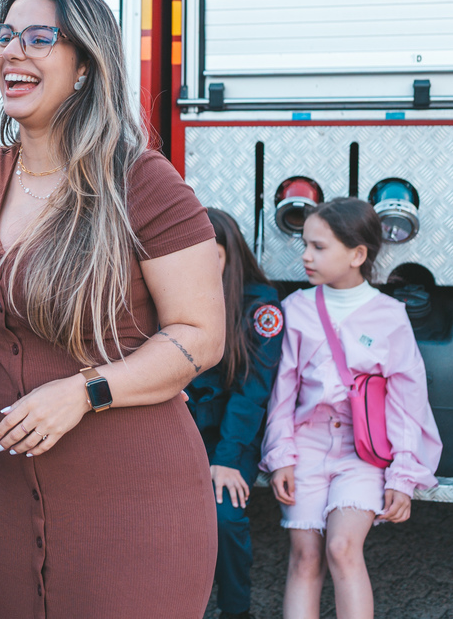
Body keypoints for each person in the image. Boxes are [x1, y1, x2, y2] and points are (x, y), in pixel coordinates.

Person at [0, 0, 225, 619]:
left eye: (39, 37)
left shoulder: (142, 180)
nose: (13, 51)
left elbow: (200, 335)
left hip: (132, 495)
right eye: (5, 36)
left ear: (84, 65)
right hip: (4, 493)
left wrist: (83, 390)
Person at [261, 198, 442, 619]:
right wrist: (281, 456)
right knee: (305, 556)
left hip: (362, 451)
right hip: (306, 446)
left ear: (358, 254)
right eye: (305, 245)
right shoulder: (296, 309)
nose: (306, 257)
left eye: (319, 247)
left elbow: (407, 403)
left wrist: (402, 475)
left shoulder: (390, 316)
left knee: (342, 548)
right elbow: (282, 393)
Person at [186, 208, 284, 619]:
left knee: (225, 517)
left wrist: (226, 459)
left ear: (232, 255)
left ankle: (236, 609)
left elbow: (251, 394)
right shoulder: (170, 295)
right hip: (181, 430)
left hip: (231, 435)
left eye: (214, 257)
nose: (202, 268)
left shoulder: (258, 308)